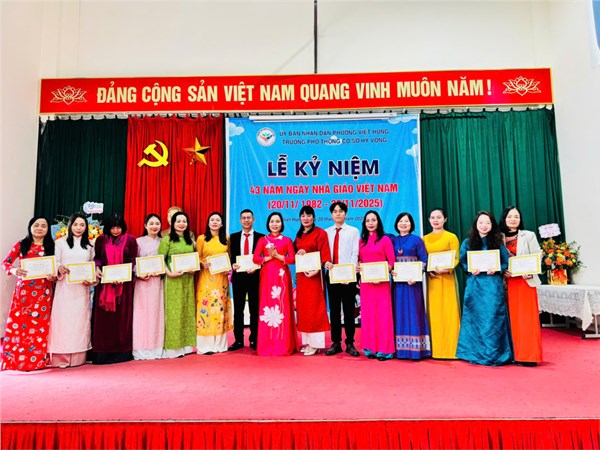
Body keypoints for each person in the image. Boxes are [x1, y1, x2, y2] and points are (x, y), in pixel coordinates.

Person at [457, 211, 512, 366]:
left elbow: (505, 262)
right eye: (481, 222)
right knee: (474, 317)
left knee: (493, 318)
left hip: (493, 286)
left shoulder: (498, 242)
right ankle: (473, 352)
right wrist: (469, 268)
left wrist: (497, 269)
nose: (484, 225)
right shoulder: (467, 243)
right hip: (475, 286)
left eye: (487, 222)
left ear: (492, 225)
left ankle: (495, 353)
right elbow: (463, 262)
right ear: (476, 224)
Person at [1, 217, 56, 371]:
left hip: (43, 293)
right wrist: (14, 270)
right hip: (24, 293)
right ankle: (14, 361)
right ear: (30, 227)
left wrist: (53, 276)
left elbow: (56, 269)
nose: (40, 228)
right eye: (36, 225)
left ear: (48, 229)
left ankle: (37, 362)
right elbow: (5, 263)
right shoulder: (21, 245)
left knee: (40, 328)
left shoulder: (52, 246)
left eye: (44, 226)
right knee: (19, 326)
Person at [49, 213, 96, 368]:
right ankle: (60, 358)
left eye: (82, 225)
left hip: (81, 289)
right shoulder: (60, 243)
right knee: (63, 321)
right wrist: (59, 268)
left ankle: (78, 358)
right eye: (75, 224)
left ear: (86, 227)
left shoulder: (90, 245)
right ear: (70, 226)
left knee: (79, 322)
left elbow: (93, 265)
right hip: (65, 289)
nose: (78, 228)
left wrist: (91, 278)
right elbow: (55, 262)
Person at [91, 213, 138, 365]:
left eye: (118, 227)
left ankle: (122, 352)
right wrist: (97, 268)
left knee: (122, 320)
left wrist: (125, 273)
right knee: (104, 321)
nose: (116, 231)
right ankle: (102, 353)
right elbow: (97, 258)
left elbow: (133, 260)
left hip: (124, 286)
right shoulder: (101, 239)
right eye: (112, 228)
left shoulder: (130, 240)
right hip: (104, 286)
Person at [499, 205, 543, 366]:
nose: (513, 219)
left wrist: (531, 271)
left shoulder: (528, 235)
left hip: (525, 282)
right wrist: (503, 271)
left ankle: (530, 356)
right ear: (504, 219)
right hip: (507, 284)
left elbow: (537, 255)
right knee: (512, 320)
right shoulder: (498, 237)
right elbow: (497, 259)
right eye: (510, 216)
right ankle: (514, 354)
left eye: (516, 216)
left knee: (528, 320)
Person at [253, 212, 297, 356]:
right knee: (267, 306)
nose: (275, 224)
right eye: (272, 221)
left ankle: (283, 345)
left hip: (282, 277)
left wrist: (278, 256)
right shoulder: (262, 240)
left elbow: (292, 259)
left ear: (282, 224)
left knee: (282, 307)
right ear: (268, 223)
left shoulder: (287, 240)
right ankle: (267, 345)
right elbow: (255, 258)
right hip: (267, 276)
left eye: (277, 221)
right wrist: (268, 258)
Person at [390, 212, 431, 360]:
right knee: (399, 312)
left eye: (406, 221)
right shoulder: (392, 241)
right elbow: (388, 260)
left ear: (411, 224)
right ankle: (400, 350)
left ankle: (416, 350)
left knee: (414, 311)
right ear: (396, 224)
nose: (403, 224)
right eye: (400, 221)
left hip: (413, 284)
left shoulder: (417, 240)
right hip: (398, 285)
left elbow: (424, 260)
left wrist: (416, 275)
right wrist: (391, 270)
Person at [422, 207, 461, 359]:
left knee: (450, 313)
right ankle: (436, 350)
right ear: (429, 220)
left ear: (445, 219)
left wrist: (447, 269)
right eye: (432, 217)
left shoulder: (451, 237)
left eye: (439, 217)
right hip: (432, 280)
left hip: (448, 279)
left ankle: (452, 350)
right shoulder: (424, 239)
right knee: (434, 314)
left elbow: (456, 258)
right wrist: (427, 270)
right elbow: (423, 259)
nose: (435, 220)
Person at [158, 211, 197, 358]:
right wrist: (169, 273)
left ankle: (187, 346)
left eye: (184, 221)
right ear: (173, 224)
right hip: (173, 281)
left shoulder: (190, 241)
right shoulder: (167, 240)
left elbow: (194, 260)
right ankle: (173, 348)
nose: (182, 224)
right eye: (178, 221)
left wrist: (193, 270)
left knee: (187, 311)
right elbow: (160, 259)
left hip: (187, 280)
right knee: (174, 312)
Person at [357, 210, 395, 361]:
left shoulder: (385, 240)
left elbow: (391, 261)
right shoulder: (361, 241)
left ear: (378, 222)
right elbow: (360, 261)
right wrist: (358, 267)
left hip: (381, 284)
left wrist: (382, 275)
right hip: (366, 284)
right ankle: (370, 348)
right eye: (368, 221)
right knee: (369, 315)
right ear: (364, 223)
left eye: (373, 220)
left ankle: (385, 350)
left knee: (383, 315)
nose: (371, 223)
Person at [294, 205, 331, 356]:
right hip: (302, 276)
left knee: (314, 308)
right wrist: (299, 252)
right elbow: (296, 253)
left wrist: (318, 269)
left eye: (308, 215)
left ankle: (316, 344)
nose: (306, 218)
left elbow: (325, 254)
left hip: (315, 277)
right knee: (304, 308)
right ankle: (308, 342)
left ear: (314, 217)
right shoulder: (299, 235)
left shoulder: (320, 233)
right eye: (303, 216)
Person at [324, 202, 360, 357]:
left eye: (340, 211)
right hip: (332, 275)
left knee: (349, 310)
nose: (338, 214)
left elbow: (355, 254)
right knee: (334, 310)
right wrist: (325, 262)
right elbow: (324, 253)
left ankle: (350, 342)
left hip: (348, 276)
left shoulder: (353, 231)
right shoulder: (326, 232)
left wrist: (349, 275)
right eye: (335, 211)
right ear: (331, 214)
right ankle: (336, 342)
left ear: (345, 213)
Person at [196, 212, 233, 354]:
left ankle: (220, 345)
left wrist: (228, 269)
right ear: (208, 223)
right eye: (212, 220)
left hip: (221, 280)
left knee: (220, 310)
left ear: (222, 224)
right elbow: (197, 257)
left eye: (218, 220)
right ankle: (205, 346)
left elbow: (229, 257)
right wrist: (201, 264)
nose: (215, 222)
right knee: (206, 309)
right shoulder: (202, 239)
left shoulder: (226, 239)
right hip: (206, 278)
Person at [229, 209, 264, 351]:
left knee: (255, 310)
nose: (246, 220)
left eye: (249, 218)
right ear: (240, 220)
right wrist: (233, 264)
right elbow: (231, 257)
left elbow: (263, 258)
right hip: (238, 278)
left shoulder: (261, 238)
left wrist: (257, 267)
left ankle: (254, 339)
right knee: (238, 310)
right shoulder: (233, 237)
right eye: (243, 218)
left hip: (255, 277)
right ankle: (238, 340)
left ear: (253, 220)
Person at [132, 213, 165, 360]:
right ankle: (140, 348)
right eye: (151, 224)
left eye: (157, 224)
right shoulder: (138, 242)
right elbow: (133, 262)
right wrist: (138, 273)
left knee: (156, 314)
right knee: (142, 314)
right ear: (145, 225)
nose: (154, 226)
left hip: (158, 282)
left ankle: (156, 347)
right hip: (143, 283)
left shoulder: (163, 242)